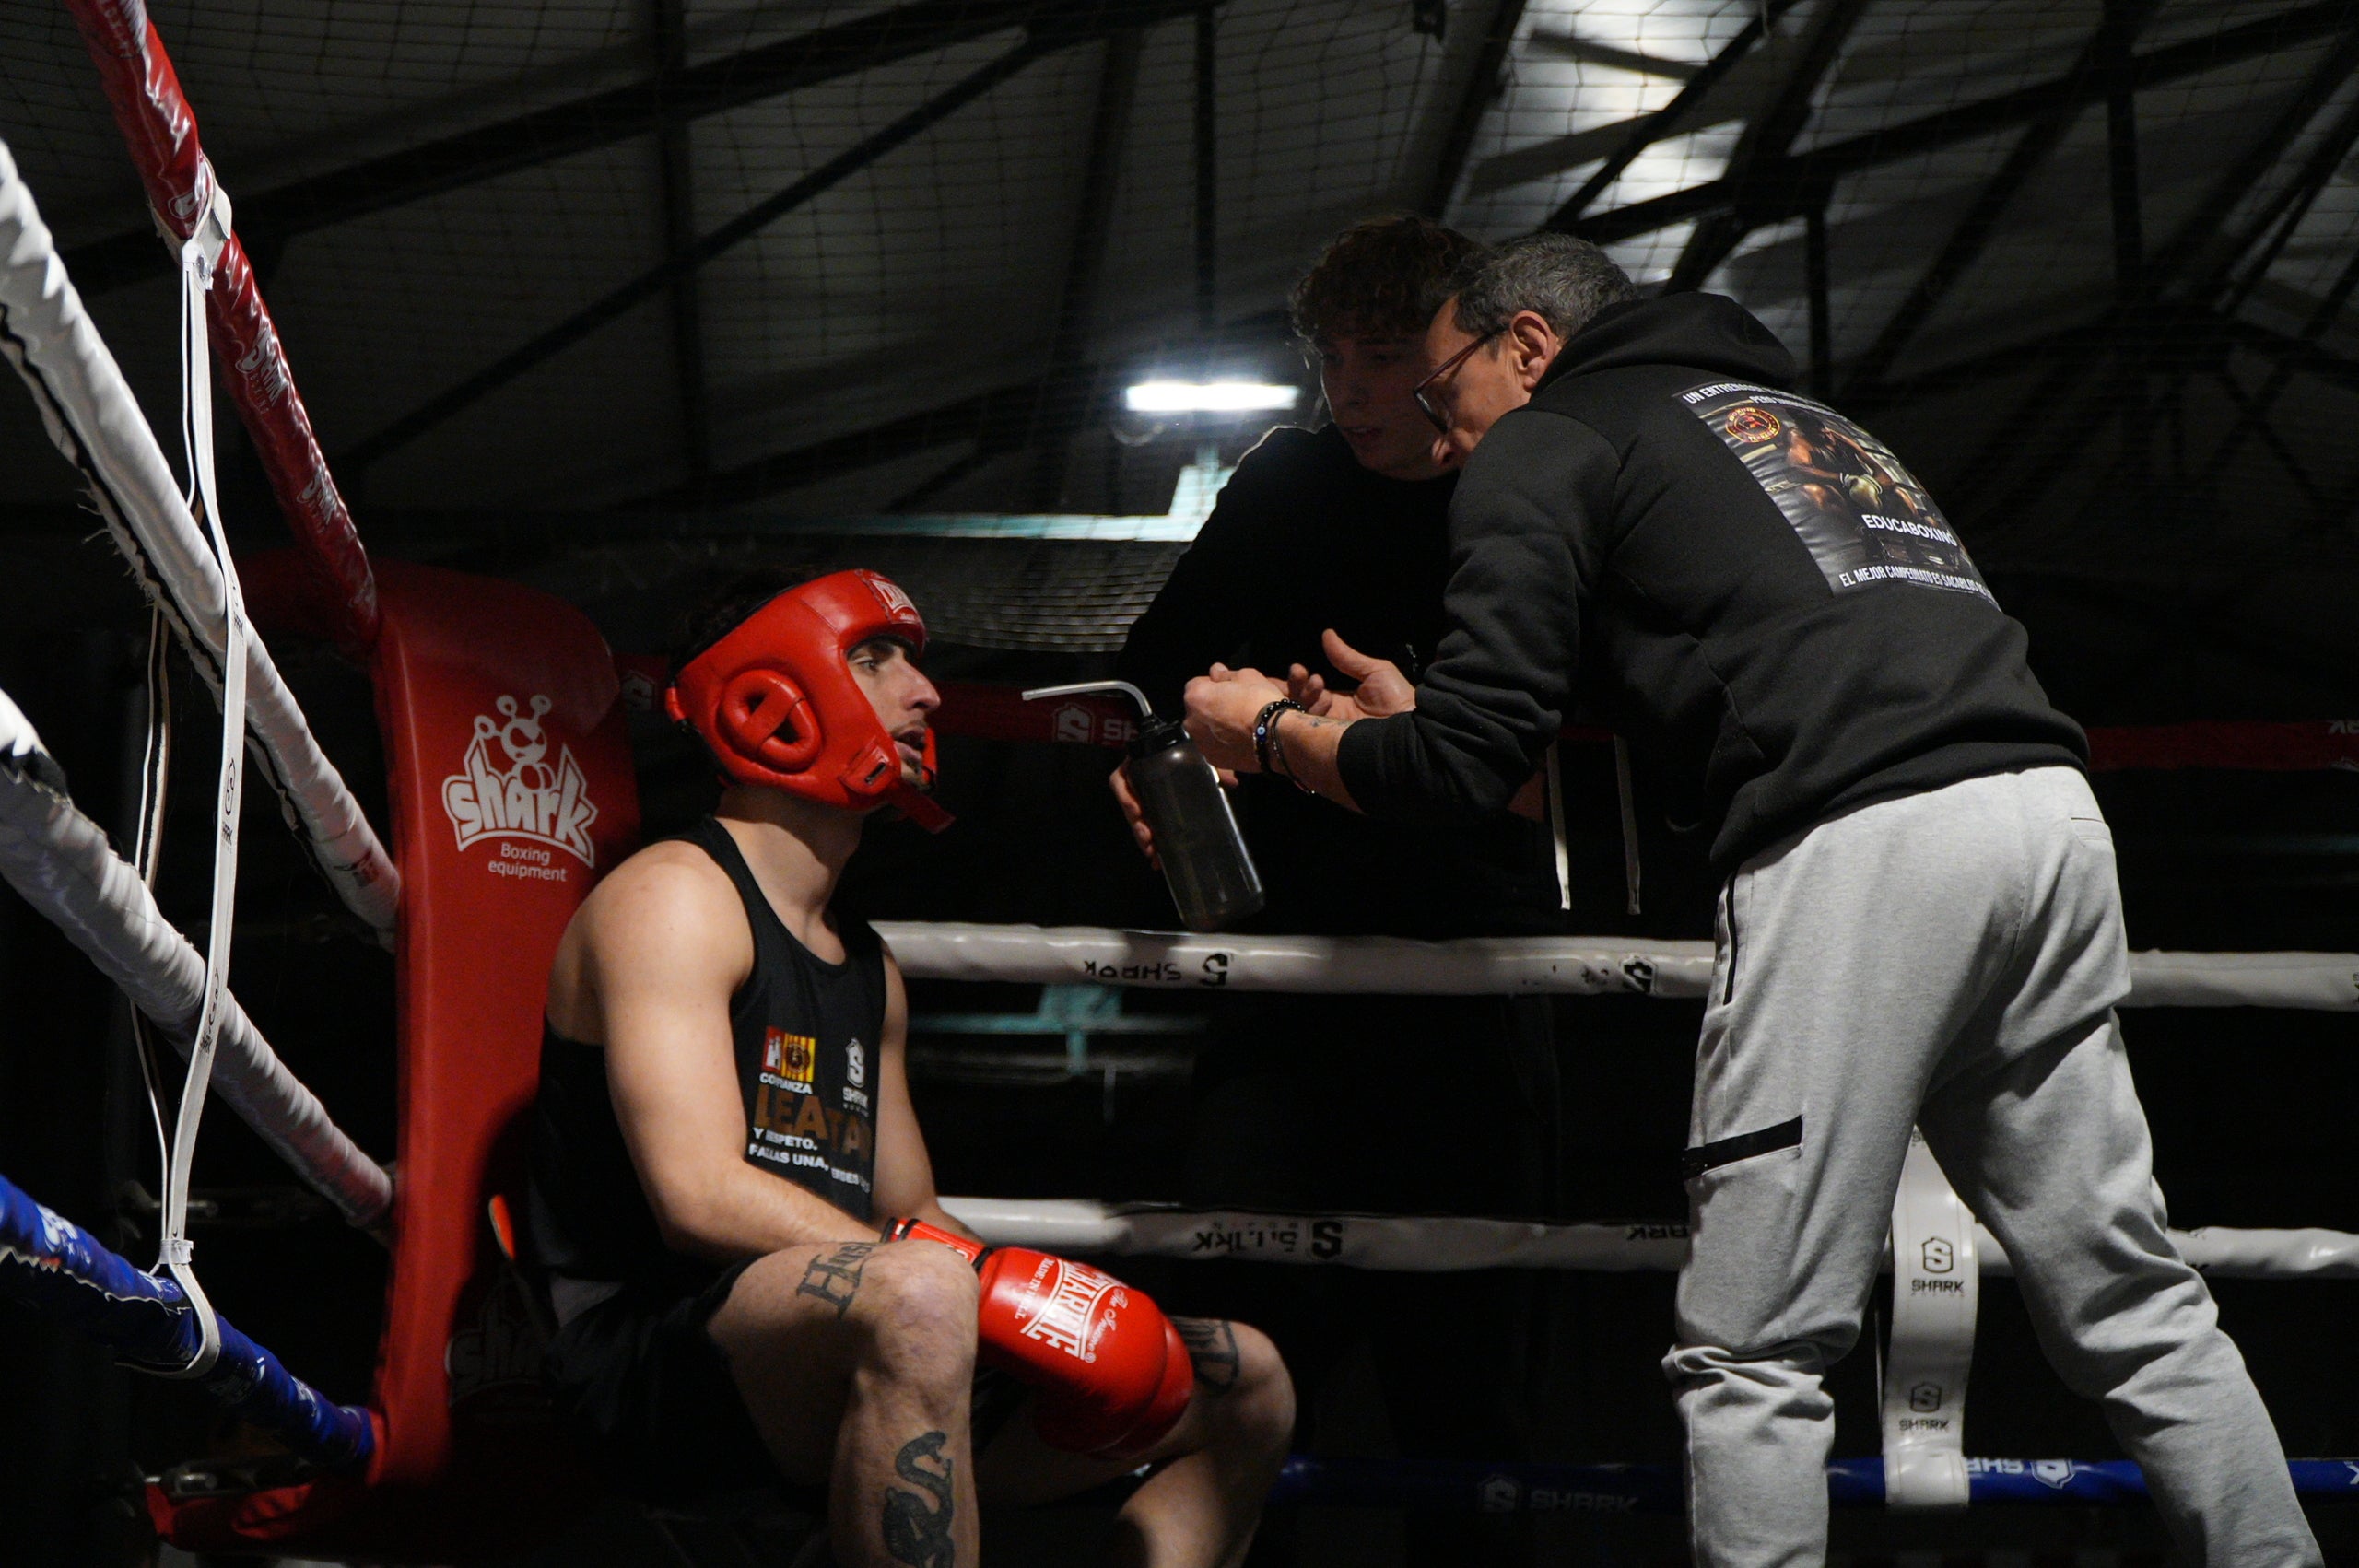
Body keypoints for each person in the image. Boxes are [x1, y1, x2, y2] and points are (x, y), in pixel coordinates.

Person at [1181, 233, 2318, 1567]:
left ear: (1529, 348)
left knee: (1751, 1350)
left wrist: (1269, 733)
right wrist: (1418, 729)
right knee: (2133, 1296)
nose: (1443, 440)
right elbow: (1688, 736)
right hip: (2044, 820)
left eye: (1444, 397)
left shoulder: (1549, 439)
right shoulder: (1790, 422)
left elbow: (1455, 770)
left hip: (1870, 852)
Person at [524, 568, 1294, 1568]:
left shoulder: (867, 963)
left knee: (1241, 1379)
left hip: (862, 1327)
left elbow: (910, 1208)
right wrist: (966, 1281)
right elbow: (699, 1198)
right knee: (926, 1294)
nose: (925, 692)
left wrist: (1063, 1310)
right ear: (773, 694)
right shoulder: (674, 898)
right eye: (876, 657)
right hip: (655, 1363)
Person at [1112, 216, 1563, 1565]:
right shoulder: (1292, 483)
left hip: (1476, 989)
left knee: (1468, 1409)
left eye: (1383, 356)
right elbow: (1153, 666)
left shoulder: (1545, 486)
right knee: (1230, 1374)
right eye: (1332, 359)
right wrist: (1164, 753)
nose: (1350, 390)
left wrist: (1394, 733)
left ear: (1479, 348)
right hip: (1288, 989)